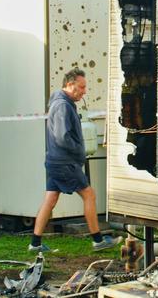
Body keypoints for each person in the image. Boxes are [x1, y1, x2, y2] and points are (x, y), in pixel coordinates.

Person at [29, 67, 122, 252]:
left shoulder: (61, 103)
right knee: (89, 194)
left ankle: (35, 243)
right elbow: (62, 136)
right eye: (81, 87)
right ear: (70, 85)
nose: (84, 91)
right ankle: (98, 240)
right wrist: (78, 151)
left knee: (50, 199)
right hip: (65, 163)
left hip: (55, 161)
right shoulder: (62, 106)